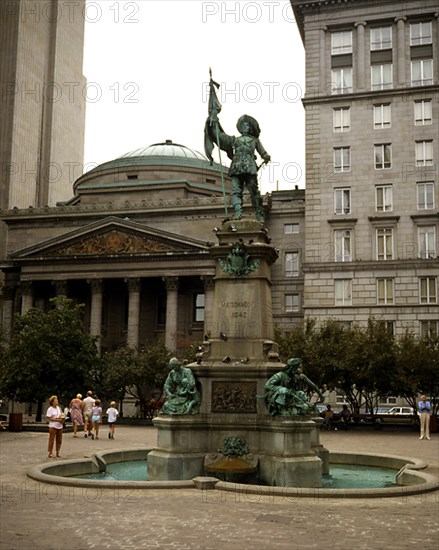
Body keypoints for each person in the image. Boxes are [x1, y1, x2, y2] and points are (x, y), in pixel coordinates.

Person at [208, 113, 271, 222]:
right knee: (236, 191)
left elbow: (263, 152)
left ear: (250, 128)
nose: (244, 128)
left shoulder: (255, 141)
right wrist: (214, 123)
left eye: (247, 126)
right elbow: (221, 137)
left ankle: (259, 214)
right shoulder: (235, 140)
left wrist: (266, 157)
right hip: (236, 167)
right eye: (243, 126)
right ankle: (238, 213)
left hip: (250, 167)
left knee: (253, 191)